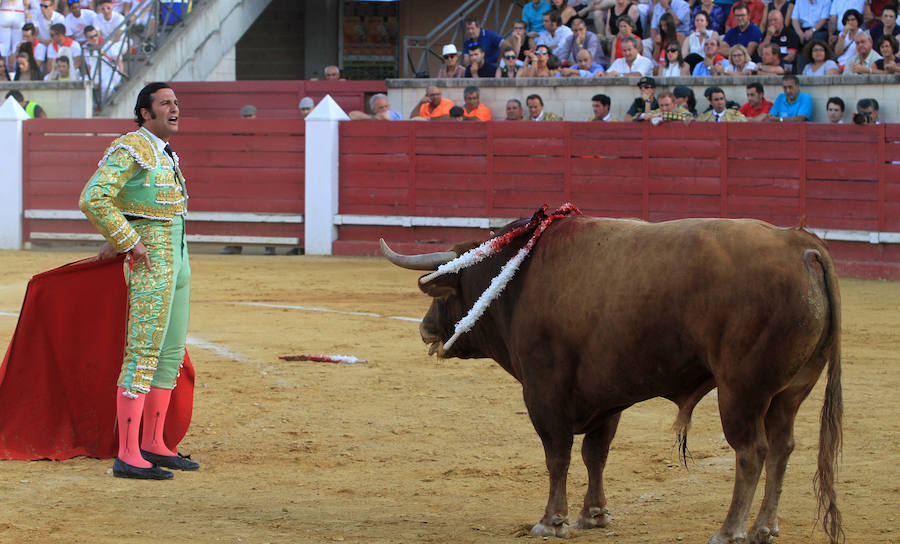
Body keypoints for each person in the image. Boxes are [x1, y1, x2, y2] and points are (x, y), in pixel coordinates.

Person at [79, 82, 199, 480]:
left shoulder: (166, 154)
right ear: (145, 113)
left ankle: (153, 443)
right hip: (150, 260)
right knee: (143, 351)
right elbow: (94, 197)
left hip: (178, 257)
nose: (174, 108)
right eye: (166, 103)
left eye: (176, 102)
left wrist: (124, 237)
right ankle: (128, 453)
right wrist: (127, 241)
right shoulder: (131, 147)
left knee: (169, 353)